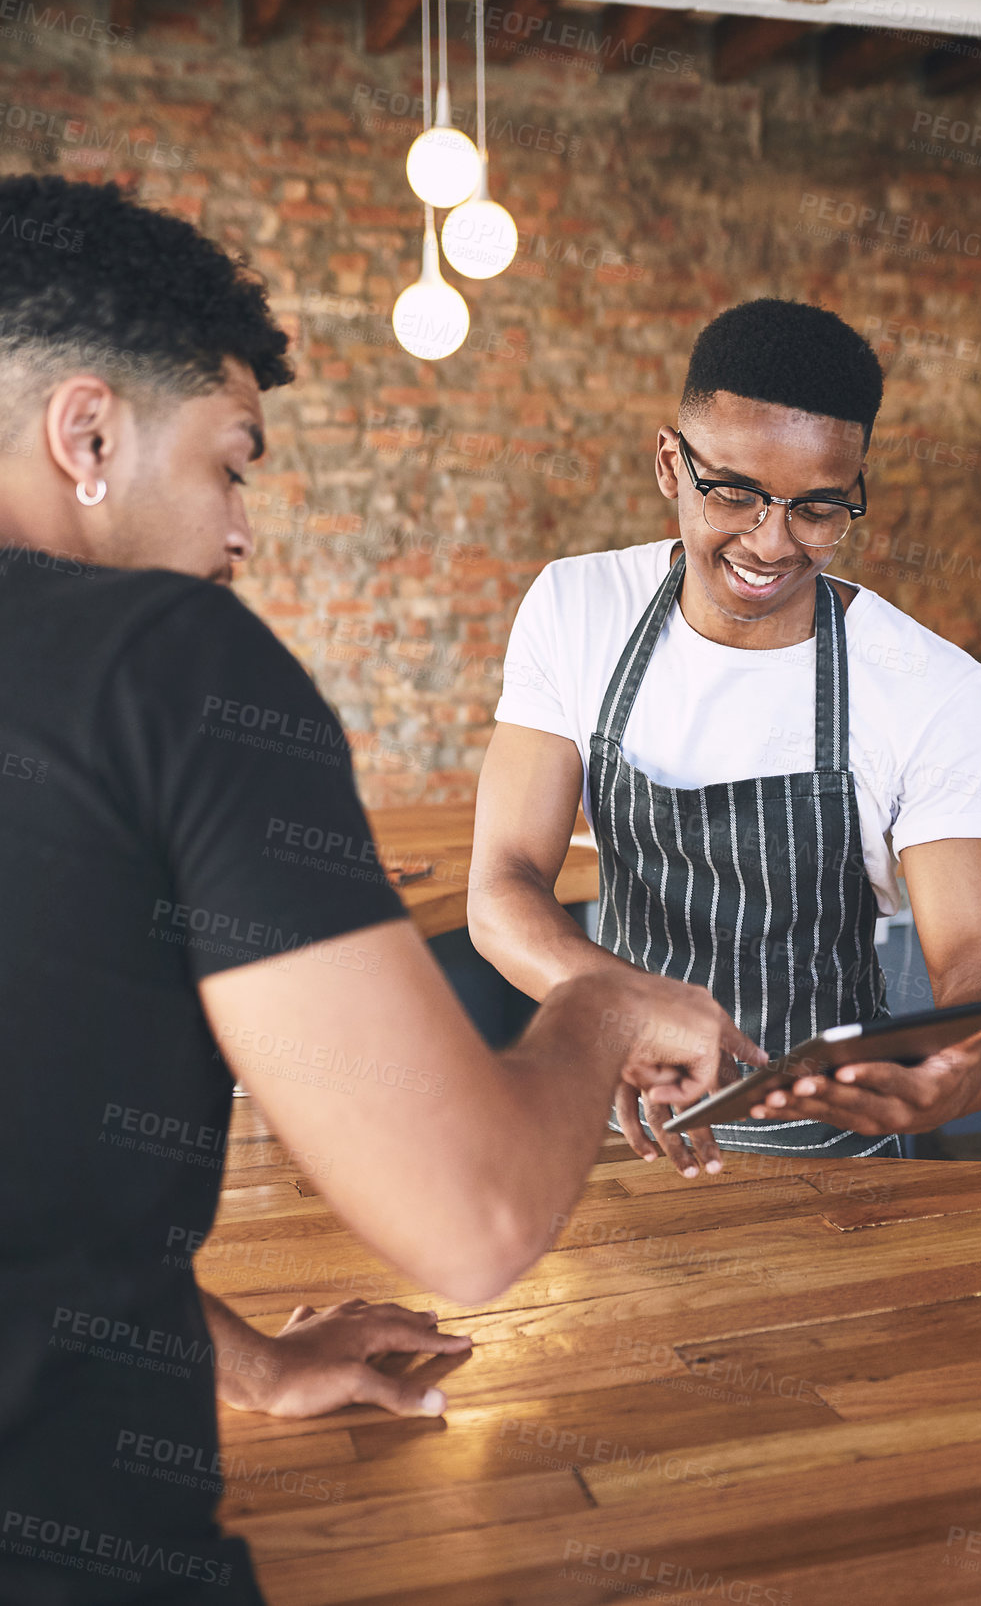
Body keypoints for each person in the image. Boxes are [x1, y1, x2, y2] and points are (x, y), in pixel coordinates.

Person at [0, 174, 766, 1606]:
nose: (239, 532)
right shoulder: (171, 664)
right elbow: (467, 1220)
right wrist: (598, 1004)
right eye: (232, 464)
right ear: (88, 434)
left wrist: (260, 1365)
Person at [469, 297, 981, 1174]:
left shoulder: (935, 688)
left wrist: (954, 1081)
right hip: (615, 1137)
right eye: (732, 492)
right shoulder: (576, 610)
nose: (770, 543)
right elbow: (500, 890)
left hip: (828, 1168)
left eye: (817, 508)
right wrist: (619, 1007)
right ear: (669, 463)